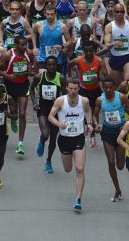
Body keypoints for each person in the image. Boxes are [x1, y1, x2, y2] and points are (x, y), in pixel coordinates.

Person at [48, 78, 94, 212]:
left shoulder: (84, 101)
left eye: (75, 89)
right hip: (64, 139)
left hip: (79, 138)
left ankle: (78, 199)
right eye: (70, 88)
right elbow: (50, 116)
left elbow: (88, 111)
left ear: (78, 88)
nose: (73, 91)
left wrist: (89, 123)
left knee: (79, 168)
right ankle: (67, 160)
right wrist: (59, 124)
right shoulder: (60, 101)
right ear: (66, 88)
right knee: (68, 169)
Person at [0, 35, 37, 155]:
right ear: (16, 45)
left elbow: (34, 65)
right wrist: (8, 76)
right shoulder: (8, 55)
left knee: (22, 113)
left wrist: (31, 71)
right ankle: (13, 118)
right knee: (13, 112)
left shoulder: (29, 53)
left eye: (26, 44)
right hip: (10, 85)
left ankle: (20, 143)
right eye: (22, 45)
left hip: (23, 85)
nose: (24, 47)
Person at [94, 76, 129, 203]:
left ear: (114, 87)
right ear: (103, 87)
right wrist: (97, 124)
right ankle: (117, 189)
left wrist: (126, 125)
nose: (108, 89)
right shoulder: (100, 100)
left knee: (120, 166)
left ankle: (125, 159)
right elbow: (95, 115)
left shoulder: (121, 97)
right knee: (111, 162)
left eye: (111, 87)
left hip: (120, 133)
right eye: (106, 87)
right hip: (107, 132)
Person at [31, 55, 66, 173]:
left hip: (55, 110)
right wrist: (34, 102)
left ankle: (48, 161)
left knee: (52, 139)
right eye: (49, 65)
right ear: (45, 66)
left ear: (56, 66)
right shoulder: (39, 77)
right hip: (43, 109)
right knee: (45, 134)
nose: (51, 67)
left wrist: (59, 99)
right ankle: (42, 141)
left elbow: (65, 94)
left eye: (53, 65)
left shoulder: (61, 78)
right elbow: (31, 89)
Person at [104, 2, 129, 86]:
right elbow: (107, 44)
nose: (119, 14)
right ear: (114, 12)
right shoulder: (109, 26)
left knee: (127, 80)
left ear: (124, 13)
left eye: (121, 12)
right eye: (117, 12)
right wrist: (113, 43)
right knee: (116, 84)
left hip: (128, 56)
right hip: (115, 58)